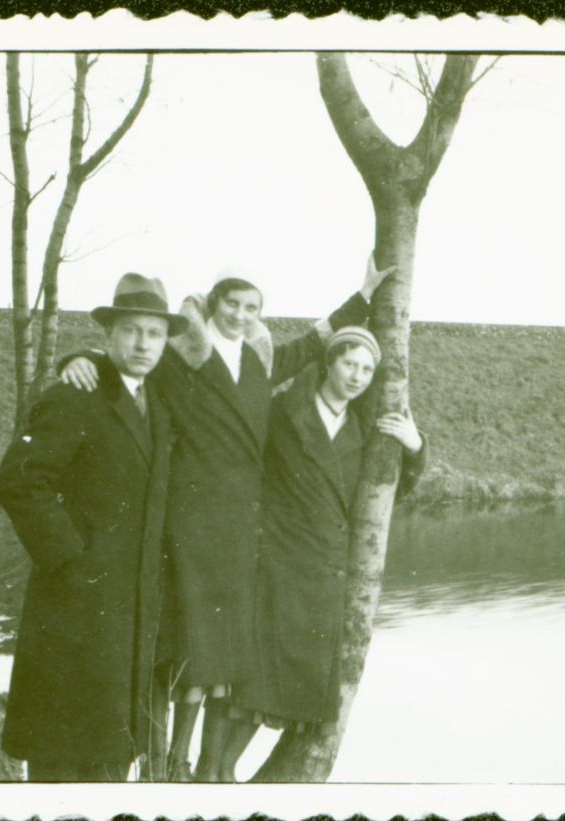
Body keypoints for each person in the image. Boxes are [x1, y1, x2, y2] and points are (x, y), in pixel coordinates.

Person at [58, 257, 394, 781]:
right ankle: (164, 762)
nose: (240, 315)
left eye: (251, 307)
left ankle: (201, 766)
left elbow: (313, 344)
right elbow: (132, 363)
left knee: (222, 652)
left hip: (240, 525)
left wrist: (363, 297)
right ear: (214, 303)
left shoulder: (259, 359)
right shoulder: (182, 354)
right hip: (190, 519)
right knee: (184, 644)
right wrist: (79, 358)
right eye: (232, 304)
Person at [0, 274, 185, 782]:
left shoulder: (157, 403)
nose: (143, 344)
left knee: (110, 754)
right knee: (61, 753)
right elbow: (19, 481)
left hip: (130, 611)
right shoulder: (76, 394)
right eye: (131, 330)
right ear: (108, 335)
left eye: (155, 333)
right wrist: (70, 559)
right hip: (74, 608)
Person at [214, 326, 426, 781]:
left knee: (286, 681)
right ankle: (215, 771)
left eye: (366, 369)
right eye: (349, 363)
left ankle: (221, 773)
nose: (357, 376)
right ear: (329, 363)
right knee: (251, 679)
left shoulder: (363, 429)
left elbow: (385, 495)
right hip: (273, 560)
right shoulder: (284, 410)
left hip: (321, 570)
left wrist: (415, 447)